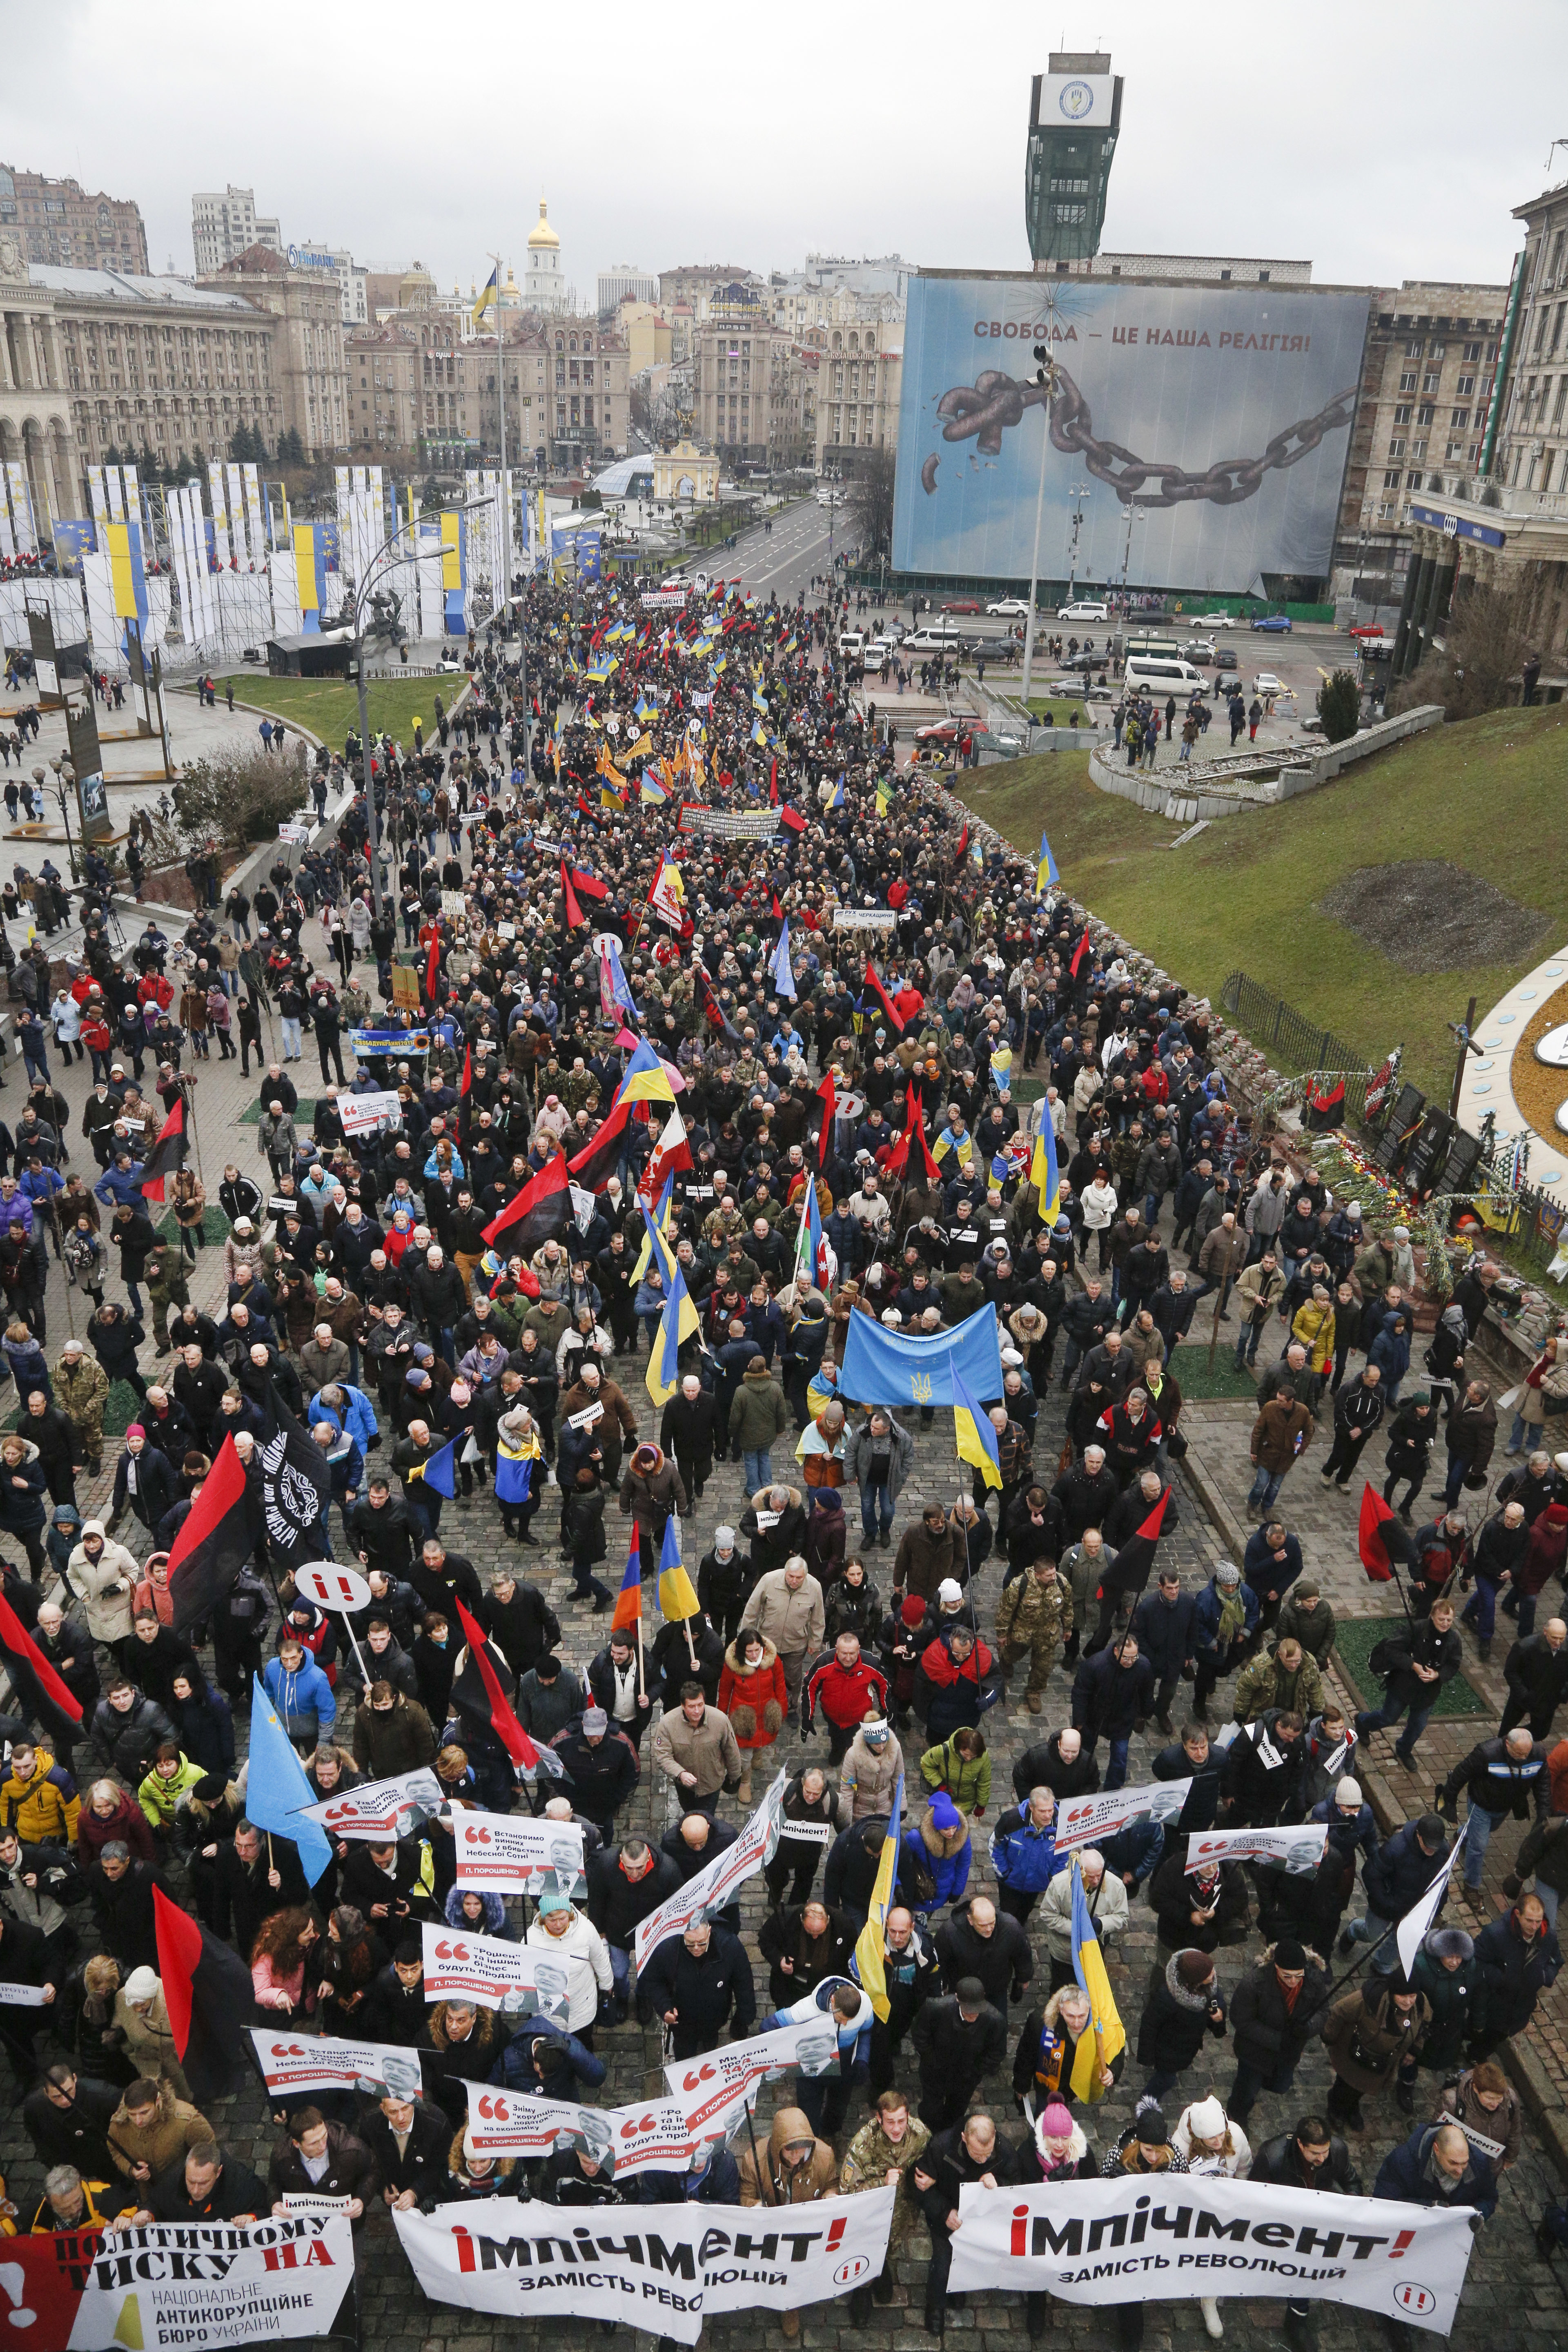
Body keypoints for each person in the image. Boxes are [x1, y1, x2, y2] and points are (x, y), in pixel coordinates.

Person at [1250, 2114, 1361, 2352]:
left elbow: (1351, 2179)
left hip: (1321, 2218)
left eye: (1326, 2152)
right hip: (1286, 2224)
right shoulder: (1273, 2157)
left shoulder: (1338, 2151)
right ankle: (1296, 2316)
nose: (1322, 2159)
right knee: (1296, 2267)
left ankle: (1299, 2314)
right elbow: (1256, 2196)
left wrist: (1352, 2206)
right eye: (1315, 2154)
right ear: (1300, 2145)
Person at [914, 2110, 1014, 2341]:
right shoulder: (940, 2148)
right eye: (976, 2155)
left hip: (980, 2219)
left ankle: (958, 2288)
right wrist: (944, 2213)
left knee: (969, 2258)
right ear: (963, 2138)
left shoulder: (1004, 2151)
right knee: (941, 2265)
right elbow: (921, 2189)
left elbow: (1018, 2181)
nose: (982, 2161)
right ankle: (935, 2307)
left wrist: (999, 2182)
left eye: (986, 2156)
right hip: (947, 2215)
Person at [840, 2090, 931, 2321]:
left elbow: (933, 2160)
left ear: (908, 2116)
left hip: (902, 2212)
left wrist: (931, 2177)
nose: (897, 2128)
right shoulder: (862, 2145)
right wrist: (882, 2182)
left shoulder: (920, 2135)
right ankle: (861, 2288)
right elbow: (847, 2192)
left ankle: (882, 2268)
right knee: (866, 2248)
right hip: (870, 2215)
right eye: (890, 2122)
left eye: (902, 2121)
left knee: (891, 2247)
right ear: (879, 2119)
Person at [1227, 1936, 1330, 2125]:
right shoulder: (1254, 1984)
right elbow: (1241, 2020)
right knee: (1247, 2090)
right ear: (1276, 1968)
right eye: (1287, 1976)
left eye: (1298, 1976)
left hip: (1290, 2052)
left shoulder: (1314, 1980)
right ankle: (1236, 2117)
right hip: (1255, 2053)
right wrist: (1278, 2040)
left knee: (1281, 2086)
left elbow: (1323, 2011)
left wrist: (1308, 2028)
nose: (1293, 1982)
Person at [1135, 1948, 1227, 2103]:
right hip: (1169, 2052)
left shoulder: (1208, 1985)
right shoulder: (1166, 1999)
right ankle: (1146, 2103)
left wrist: (1220, 2013)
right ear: (1195, 1981)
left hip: (1188, 2047)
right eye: (1209, 1973)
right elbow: (1149, 2025)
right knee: (1166, 2080)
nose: (1214, 1974)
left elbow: (1217, 1998)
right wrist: (1148, 2058)